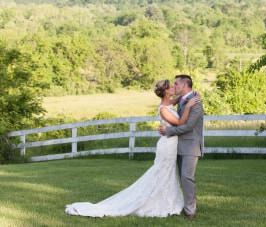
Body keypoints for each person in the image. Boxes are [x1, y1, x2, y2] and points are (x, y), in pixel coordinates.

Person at [65, 79, 200, 218]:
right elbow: (179, 122)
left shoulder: (168, 103)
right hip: (166, 145)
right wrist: (189, 106)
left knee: (168, 173)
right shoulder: (164, 109)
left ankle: (168, 201)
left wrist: (191, 95)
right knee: (161, 172)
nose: (173, 87)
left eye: (174, 85)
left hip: (171, 144)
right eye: (170, 86)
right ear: (166, 91)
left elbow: (178, 98)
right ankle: (155, 203)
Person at [158, 74, 204, 220]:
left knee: (187, 177)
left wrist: (168, 131)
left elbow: (189, 126)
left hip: (190, 146)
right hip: (176, 146)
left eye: (176, 84)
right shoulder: (183, 101)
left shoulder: (195, 103)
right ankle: (179, 204)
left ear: (184, 85)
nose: (174, 86)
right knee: (178, 177)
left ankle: (190, 210)